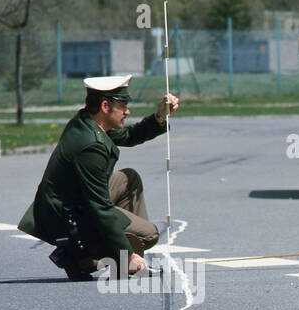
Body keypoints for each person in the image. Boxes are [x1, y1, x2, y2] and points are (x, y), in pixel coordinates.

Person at [18, 76, 180, 279]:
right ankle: (84, 256)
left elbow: (130, 136)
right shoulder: (90, 145)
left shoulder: (89, 122)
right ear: (105, 106)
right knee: (149, 234)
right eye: (123, 106)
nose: (127, 111)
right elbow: (99, 207)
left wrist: (159, 116)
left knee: (129, 179)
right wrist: (128, 254)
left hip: (71, 204)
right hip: (66, 218)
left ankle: (123, 257)